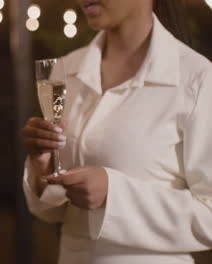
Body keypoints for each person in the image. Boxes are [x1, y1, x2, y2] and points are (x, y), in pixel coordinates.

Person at [22, 0, 212, 263]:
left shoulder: (197, 79)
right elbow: (51, 212)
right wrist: (42, 165)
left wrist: (114, 195)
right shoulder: (65, 70)